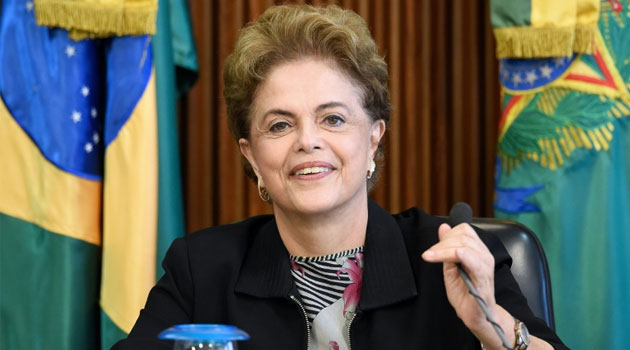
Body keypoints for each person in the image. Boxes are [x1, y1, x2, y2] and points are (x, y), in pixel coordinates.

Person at [113, 4, 568, 350]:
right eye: (279, 125)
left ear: (372, 139)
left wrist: (496, 328)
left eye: (332, 119)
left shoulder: (451, 259)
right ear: (251, 157)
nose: (307, 141)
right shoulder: (203, 270)